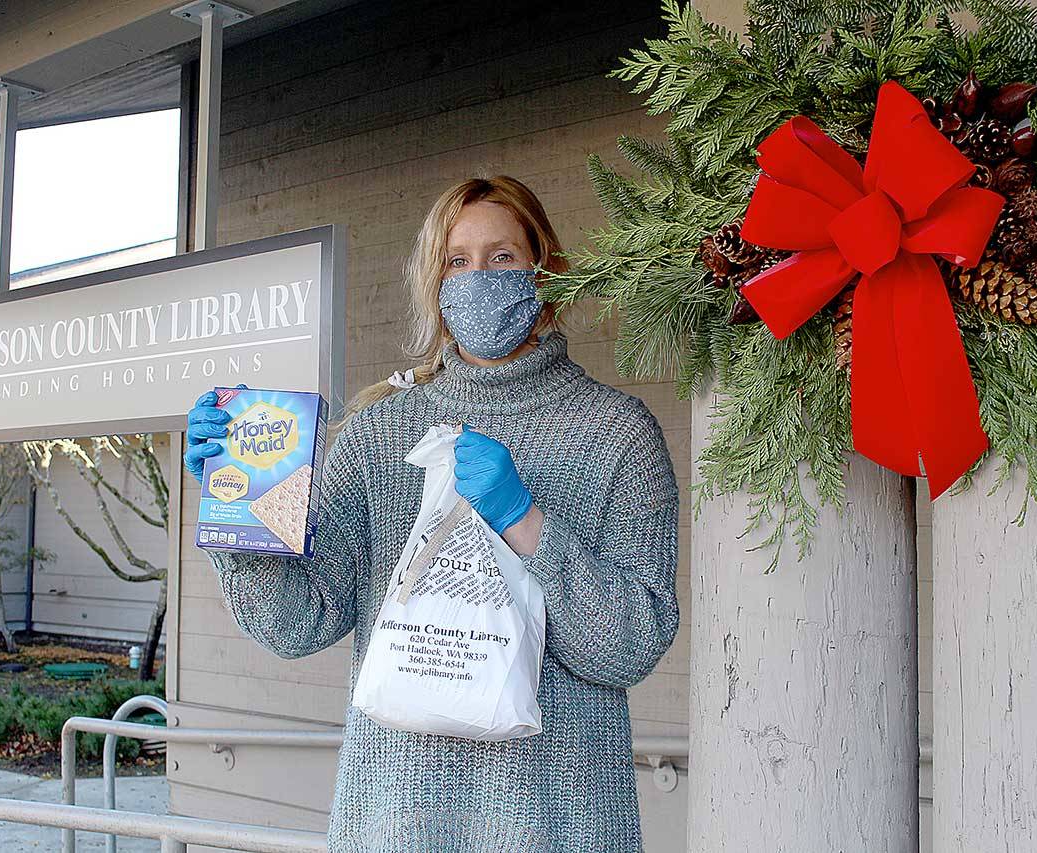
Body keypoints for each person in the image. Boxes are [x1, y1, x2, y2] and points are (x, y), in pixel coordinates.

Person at [183, 175, 679, 852]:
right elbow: (298, 621)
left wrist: (526, 520)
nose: (480, 276)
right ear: (435, 282)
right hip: (395, 822)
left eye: (503, 256)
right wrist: (233, 505)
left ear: (544, 269)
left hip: (559, 825)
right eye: (458, 260)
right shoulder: (376, 435)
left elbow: (631, 645)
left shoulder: (617, 433)